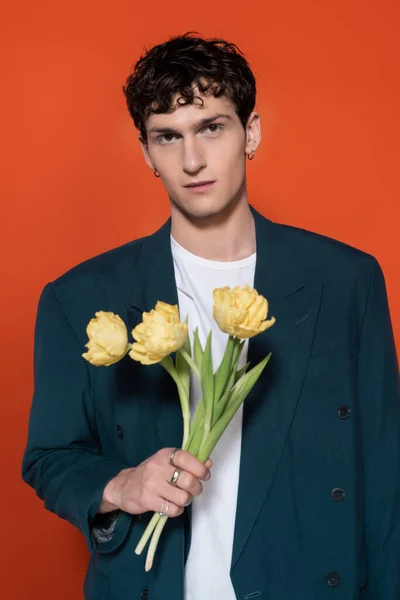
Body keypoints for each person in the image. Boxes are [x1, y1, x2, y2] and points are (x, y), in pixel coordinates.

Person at [22, 32, 400, 600]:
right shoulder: (78, 299)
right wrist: (122, 484)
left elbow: (384, 477)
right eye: (167, 137)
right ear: (147, 152)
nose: (192, 159)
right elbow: (49, 458)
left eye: (212, 128)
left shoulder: (347, 282)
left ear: (251, 132)